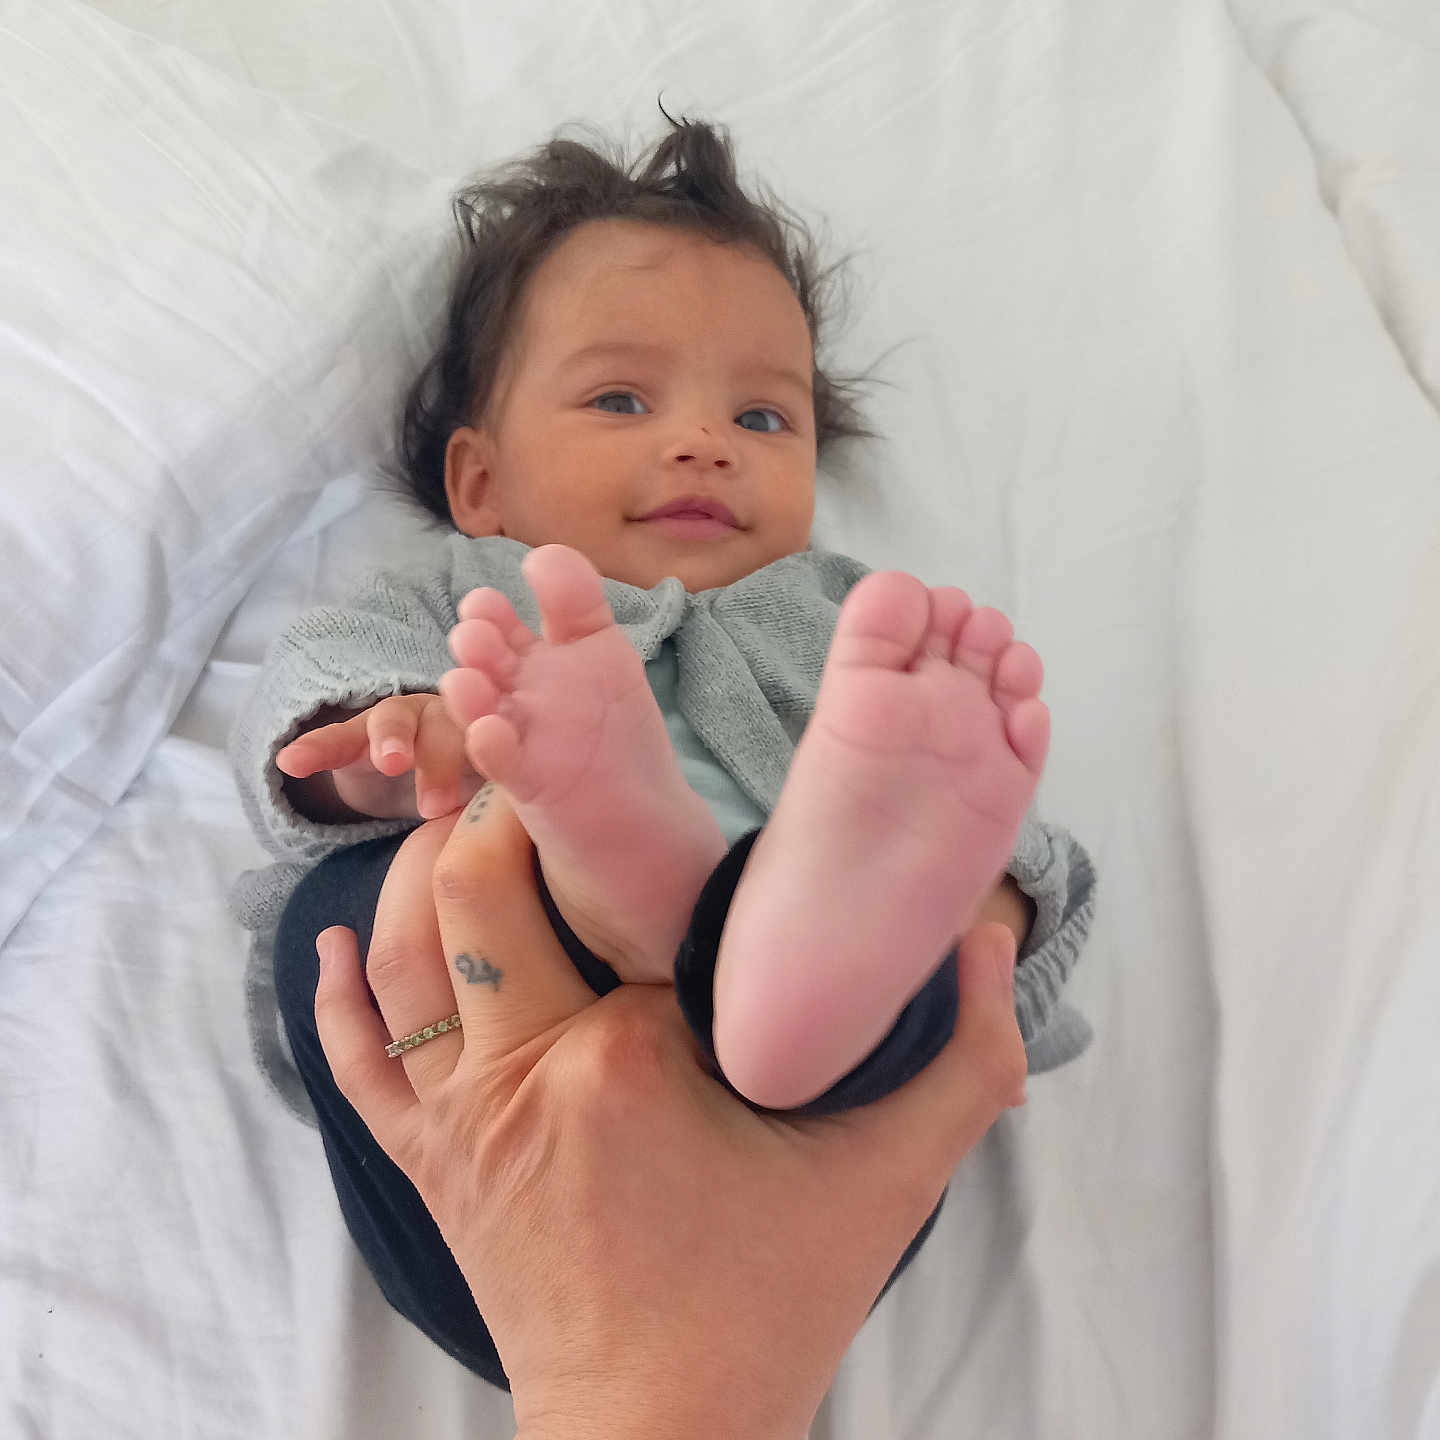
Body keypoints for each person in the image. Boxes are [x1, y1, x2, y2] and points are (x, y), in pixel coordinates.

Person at [229, 109, 1097, 1387]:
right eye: (621, 397)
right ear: (479, 482)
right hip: (472, 1141)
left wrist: (990, 895)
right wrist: (398, 738)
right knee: (340, 912)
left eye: (763, 418)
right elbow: (305, 705)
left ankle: (765, 959)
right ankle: (638, 903)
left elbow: (995, 832)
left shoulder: (851, 622)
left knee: (957, 907)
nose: (702, 441)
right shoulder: (467, 592)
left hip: (799, 1168)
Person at [313, 784, 1030, 1440]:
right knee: (892, 1008)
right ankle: (734, 959)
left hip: (480, 1221)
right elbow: (299, 751)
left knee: (321, 932)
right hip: (790, 1184)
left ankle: (682, 931)